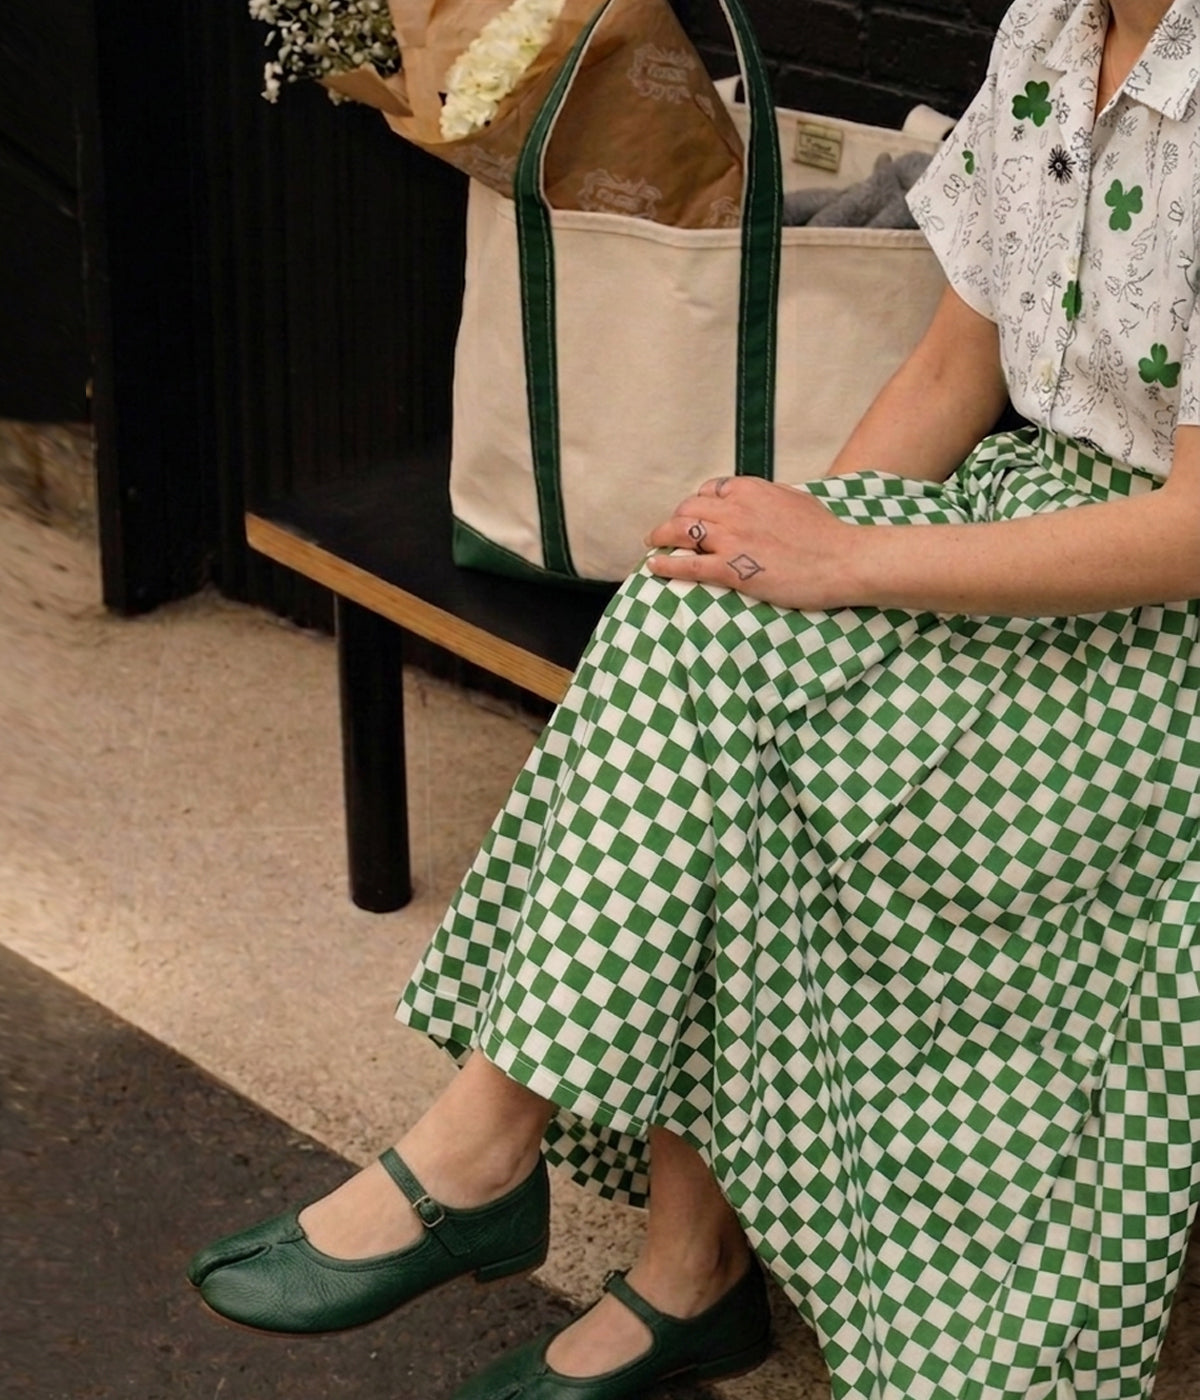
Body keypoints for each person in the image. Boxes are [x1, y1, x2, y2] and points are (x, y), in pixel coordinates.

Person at [187, 1, 1200, 1396]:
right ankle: (622, 1226)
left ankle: (557, 1194)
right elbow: (954, 367)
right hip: (1019, 535)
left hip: (1162, 640)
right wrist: (786, 554)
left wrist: (853, 561)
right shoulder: (1048, 33)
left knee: (738, 697)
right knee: (703, 610)